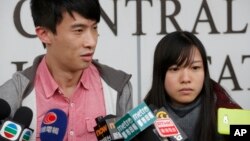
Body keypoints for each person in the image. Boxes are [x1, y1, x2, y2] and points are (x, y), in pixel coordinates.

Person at [0, 0, 132, 140]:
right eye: (79, 30)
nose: (91, 42)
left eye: (94, 28)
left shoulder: (118, 87)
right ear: (44, 34)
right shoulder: (15, 94)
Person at [144, 31, 241, 141]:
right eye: (175, 69)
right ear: (160, 74)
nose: (186, 79)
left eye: (195, 68)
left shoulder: (227, 111)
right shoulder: (142, 119)